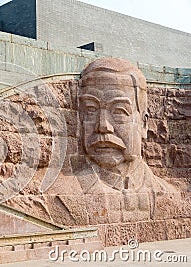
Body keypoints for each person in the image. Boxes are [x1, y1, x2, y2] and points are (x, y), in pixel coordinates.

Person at [60, 58, 180, 224]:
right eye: (91, 110)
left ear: (144, 124)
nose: (103, 126)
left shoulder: (168, 195)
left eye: (119, 111)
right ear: (80, 121)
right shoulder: (61, 195)